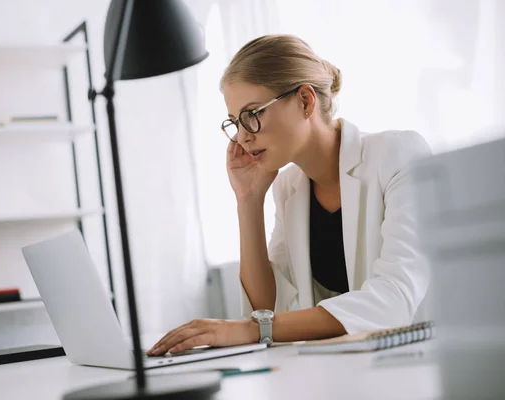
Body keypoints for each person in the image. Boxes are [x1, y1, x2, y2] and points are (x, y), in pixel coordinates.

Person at [147, 34, 431, 356]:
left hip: (416, 365)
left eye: (252, 114)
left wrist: (251, 329)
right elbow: (270, 311)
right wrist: (248, 201)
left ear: (305, 102)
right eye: (235, 122)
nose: (242, 137)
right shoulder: (289, 187)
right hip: (339, 370)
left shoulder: (398, 155)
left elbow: (393, 300)